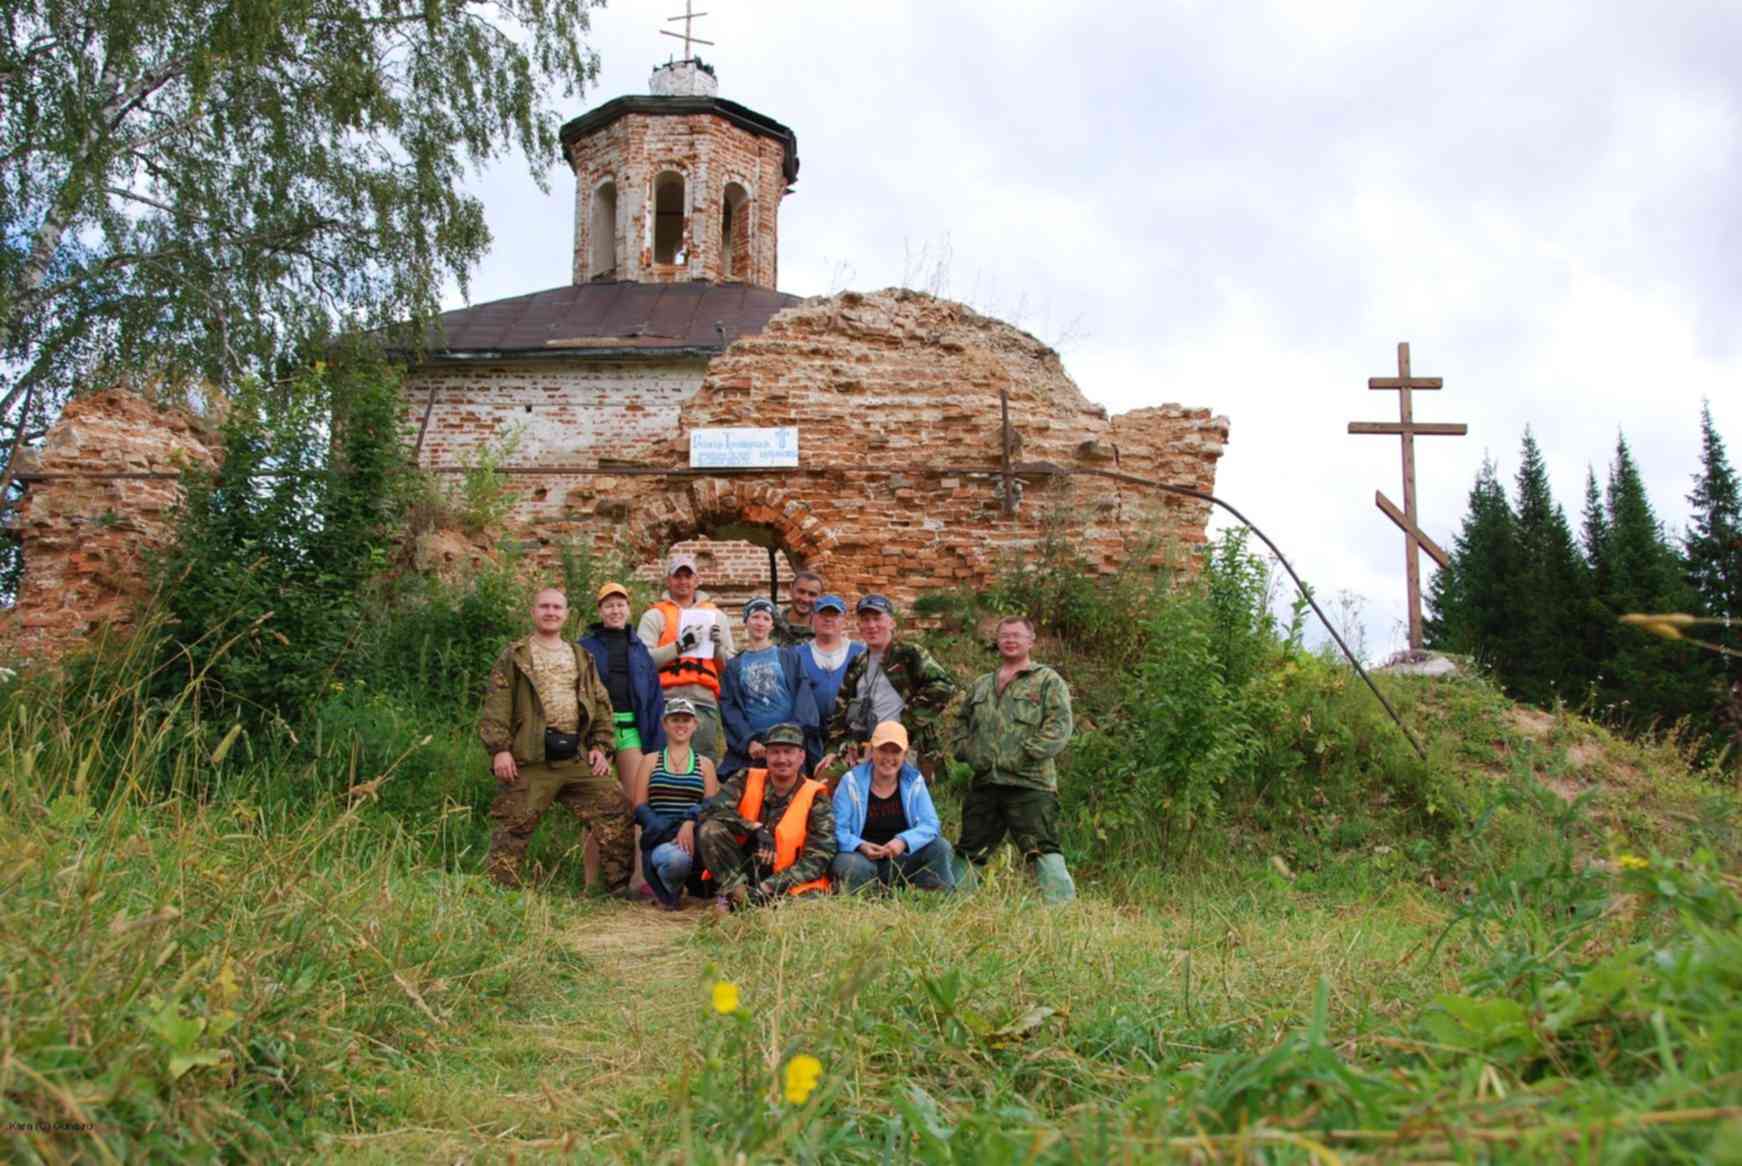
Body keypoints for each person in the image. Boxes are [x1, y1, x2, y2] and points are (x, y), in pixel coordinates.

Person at [479, 587, 632, 890]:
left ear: (566, 614)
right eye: (544, 607)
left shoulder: (580, 656)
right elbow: (497, 703)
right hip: (531, 757)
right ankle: (500, 892)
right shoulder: (516, 655)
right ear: (533, 611)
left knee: (616, 809)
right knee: (512, 826)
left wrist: (601, 747)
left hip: (575, 755)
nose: (551, 612)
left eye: (557, 608)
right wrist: (500, 749)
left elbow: (601, 704)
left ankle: (618, 887)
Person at [953, 616, 1076, 903]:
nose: (1010, 640)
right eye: (1005, 635)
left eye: (1017, 635)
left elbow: (1059, 725)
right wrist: (966, 751)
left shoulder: (1046, 680)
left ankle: (1062, 910)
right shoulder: (982, 685)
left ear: (1030, 641)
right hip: (986, 781)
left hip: (1029, 782)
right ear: (997, 641)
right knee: (970, 846)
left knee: (1042, 848)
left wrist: (1026, 754)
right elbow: (961, 722)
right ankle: (955, 904)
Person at [697, 722, 835, 913]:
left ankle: (746, 905)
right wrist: (754, 828)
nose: (782, 759)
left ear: (801, 756)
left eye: (788, 751)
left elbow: (819, 857)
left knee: (807, 909)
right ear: (766, 755)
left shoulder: (816, 796)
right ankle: (737, 897)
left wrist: (767, 888)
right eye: (775, 752)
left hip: (785, 879)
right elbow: (711, 810)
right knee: (710, 829)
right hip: (744, 873)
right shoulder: (746, 777)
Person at [823, 594, 957, 775]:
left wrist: (904, 723)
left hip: (905, 749)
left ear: (892, 622)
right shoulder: (857, 662)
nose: (871, 625)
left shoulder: (908, 654)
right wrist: (834, 748)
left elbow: (943, 687)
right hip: (866, 751)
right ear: (858, 626)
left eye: (877, 618)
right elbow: (841, 708)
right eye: (865, 620)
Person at [830, 720, 957, 893]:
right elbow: (837, 829)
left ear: (905, 754)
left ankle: (933, 898)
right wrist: (860, 845)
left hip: (900, 860)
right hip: (863, 859)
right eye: (883, 750)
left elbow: (931, 825)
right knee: (848, 864)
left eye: (896, 751)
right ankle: (871, 897)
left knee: (941, 847)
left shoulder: (914, 781)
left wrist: (903, 841)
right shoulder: (850, 782)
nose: (888, 758)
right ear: (872, 751)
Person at [637, 553, 735, 766]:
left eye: (688, 576)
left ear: (696, 580)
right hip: (665, 700)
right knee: (663, 763)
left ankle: (704, 800)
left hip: (703, 701)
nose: (683, 581)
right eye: (677, 576)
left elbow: (728, 667)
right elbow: (643, 662)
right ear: (668, 580)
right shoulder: (654, 615)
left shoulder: (716, 616)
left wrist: (717, 646)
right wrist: (679, 646)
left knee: (703, 764)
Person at [578, 580, 666, 802]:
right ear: (600, 610)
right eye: (609, 605)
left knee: (637, 797)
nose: (615, 610)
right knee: (597, 800)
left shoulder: (640, 649)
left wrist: (657, 742)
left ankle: (636, 838)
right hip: (597, 731)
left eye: (620, 604)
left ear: (628, 608)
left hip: (631, 731)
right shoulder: (584, 647)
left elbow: (654, 697)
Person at [630, 698, 719, 909]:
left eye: (686, 720)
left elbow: (710, 805)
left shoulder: (705, 764)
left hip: (692, 836)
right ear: (664, 724)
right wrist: (660, 826)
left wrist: (689, 823)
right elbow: (639, 805)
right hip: (660, 837)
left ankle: (698, 891)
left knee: (701, 847)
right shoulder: (650, 760)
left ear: (695, 724)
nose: (681, 725)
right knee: (676, 860)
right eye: (675, 719)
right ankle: (671, 891)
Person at [719, 597, 821, 777]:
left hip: (788, 743)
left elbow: (804, 701)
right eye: (755, 617)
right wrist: (748, 741)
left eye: (766, 618)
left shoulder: (789, 657)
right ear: (746, 622)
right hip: (755, 748)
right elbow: (730, 709)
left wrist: (790, 736)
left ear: (772, 625)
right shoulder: (734, 665)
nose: (760, 623)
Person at [798, 593, 865, 728]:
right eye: (822, 614)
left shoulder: (860, 652)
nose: (828, 619)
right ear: (812, 618)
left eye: (834, 615)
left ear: (844, 620)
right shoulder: (798, 654)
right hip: (809, 733)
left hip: (848, 734)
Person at [774, 570, 825, 646]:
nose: (805, 599)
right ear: (791, 590)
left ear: (820, 597)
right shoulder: (771, 625)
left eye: (812, 594)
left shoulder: (823, 633)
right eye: (801, 592)